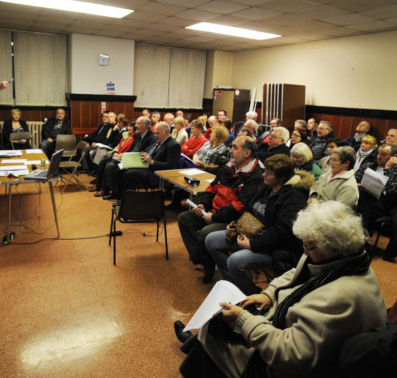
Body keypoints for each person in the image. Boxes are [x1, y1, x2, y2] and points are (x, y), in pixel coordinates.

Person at [177, 201, 387, 378]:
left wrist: (243, 321)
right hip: (295, 329)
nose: (305, 252)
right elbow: (297, 271)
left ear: (337, 246)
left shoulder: (340, 297)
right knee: (220, 321)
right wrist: (268, 293)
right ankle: (193, 340)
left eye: (309, 247)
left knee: (214, 334)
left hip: (294, 371)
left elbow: (292, 356)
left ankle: (196, 343)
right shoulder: (341, 259)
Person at [204, 155, 312, 292]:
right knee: (211, 240)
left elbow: (281, 232)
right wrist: (235, 225)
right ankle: (234, 285)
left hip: (276, 247)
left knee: (235, 261)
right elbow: (250, 211)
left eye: (269, 173)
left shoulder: (294, 197)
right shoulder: (267, 187)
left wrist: (251, 244)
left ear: (282, 177)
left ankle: (249, 292)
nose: (264, 174)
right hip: (254, 233)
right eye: (265, 170)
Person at [177, 137, 263, 279]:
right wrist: (203, 204)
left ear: (247, 153)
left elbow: (239, 207)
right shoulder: (228, 167)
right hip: (214, 211)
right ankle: (205, 258)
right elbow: (211, 188)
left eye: (235, 148)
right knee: (185, 218)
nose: (230, 150)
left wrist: (214, 217)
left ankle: (202, 257)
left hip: (234, 220)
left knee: (206, 232)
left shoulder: (255, 176)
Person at [354, 143, 397, 261]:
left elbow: (391, 191)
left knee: (362, 199)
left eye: (383, 154)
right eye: (378, 153)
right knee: (362, 198)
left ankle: (360, 241)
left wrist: (387, 170)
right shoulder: (368, 166)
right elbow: (353, 179)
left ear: (394, 156)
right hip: (363, 202)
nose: (378, 157)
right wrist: (356, 185)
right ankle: (360, 239)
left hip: (385, 207)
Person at [117, 122, 181, 199]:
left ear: (166, 133)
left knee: (129, 174)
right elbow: (145, 152)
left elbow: (170, 166)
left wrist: (152, 162)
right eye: (154, 133)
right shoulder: (157, 141)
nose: (155, 135)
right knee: (121, 169)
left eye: (157, 133)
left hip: (156, 174)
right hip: (146, 167)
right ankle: (121, 198)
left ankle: (128, 201)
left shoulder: (173, 145)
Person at [100, 116, 156, 200]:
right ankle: (112, 192)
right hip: (131, 159)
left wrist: (125, 158)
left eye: (138, 124)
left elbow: (144, 154)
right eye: (136, 123)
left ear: (146, 126)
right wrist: (122, 156)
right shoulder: (137, 135)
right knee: (108, 162)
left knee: (115, 167)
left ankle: (121, 196)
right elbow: (131, 149)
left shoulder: (151, 138)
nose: (135, 126)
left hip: (139, 162)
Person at [90, 121, 135, 196]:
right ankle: (98, 186)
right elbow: (118, 146)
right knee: (103, 162)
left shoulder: (134, 137)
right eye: (128, 126)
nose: (128, 128)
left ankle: (105, 190)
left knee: (109, 164)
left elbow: (130, 150)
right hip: (117, 155)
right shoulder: (126, 135)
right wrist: (114, 152)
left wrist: (120, 156)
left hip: (124, 157)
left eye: (131, 126)